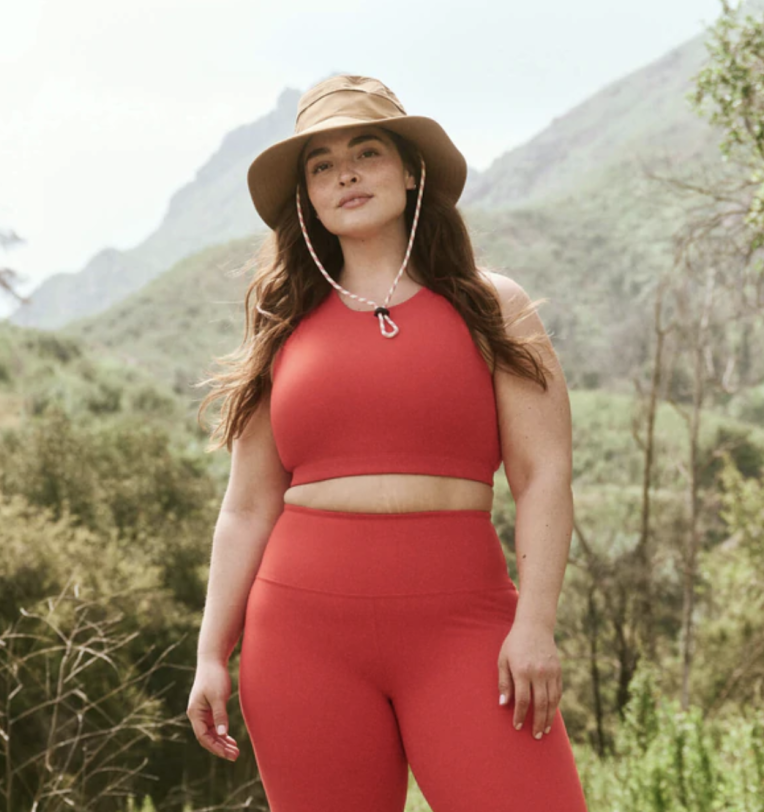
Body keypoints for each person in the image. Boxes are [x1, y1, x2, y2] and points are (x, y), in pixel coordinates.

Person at [188, 74, 588, 812]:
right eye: (321, 163)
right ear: (307, 196)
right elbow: (245, 508)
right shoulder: (281, 326)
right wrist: (212, 652)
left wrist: (534, 626)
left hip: (467, 628)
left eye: (365, 151)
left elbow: (543, 477)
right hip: (301, 638)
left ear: (409, 170)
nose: (344, 172)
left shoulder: (493, 305)